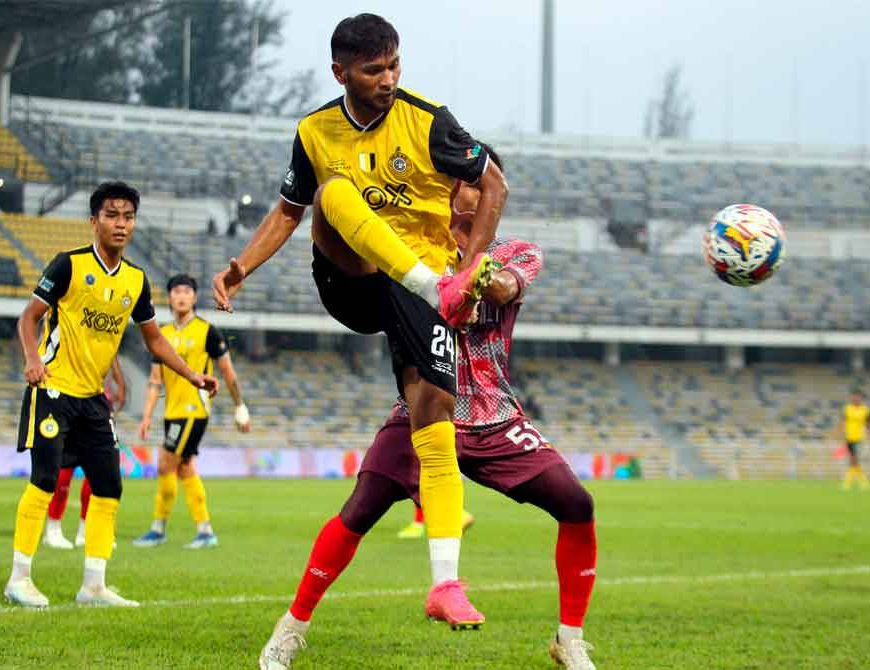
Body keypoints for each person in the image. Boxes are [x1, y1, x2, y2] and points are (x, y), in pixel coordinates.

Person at [212, 13, 508, 623]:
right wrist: (242, 266)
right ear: (340, 72)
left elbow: (495, 186)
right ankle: (430, 284)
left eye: (394, 64)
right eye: (374, 70)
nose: (389, 79)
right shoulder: (314, 131)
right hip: (351, 278)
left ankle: (445, 586)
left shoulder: (429, 120)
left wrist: (469, 264)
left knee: (434, 414)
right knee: (332, 193)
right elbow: (288, 212)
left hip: (421, 290)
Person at [259, 147, 598, 670]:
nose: (468, 193)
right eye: (462, 183)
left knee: (577, 504)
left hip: (494, 414)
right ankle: (290, 628)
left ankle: (569, 641)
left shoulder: (517, 251)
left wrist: (476, 275)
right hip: (421, 411)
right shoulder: (411, 252)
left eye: (479, 185)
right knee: (358, 512)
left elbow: (506, 287)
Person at [4, 181, 218, 609]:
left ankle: (93, 586)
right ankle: (19, 578)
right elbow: (28, 319)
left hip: (93, 399)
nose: (121, 224)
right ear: (94, 221)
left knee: (108, 486)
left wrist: (192, 374)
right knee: (44, 480)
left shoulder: (136, 281)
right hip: (53, 389)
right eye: (112, 215)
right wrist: (32, 359)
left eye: (128, 216)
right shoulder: (68, 265)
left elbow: (155, 340)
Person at [133, 273, 251, 549]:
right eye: (177, 291)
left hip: (194, 410)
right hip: (172, 412)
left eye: (187, 291)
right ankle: (205, 531)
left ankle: (158, 528)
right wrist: (147, 416)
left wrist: (240, 406)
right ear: (170, 297)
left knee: (166, 463)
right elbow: (155, 380)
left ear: (195, 297)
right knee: (185, 468)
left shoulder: (207, 331)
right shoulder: (161, 335)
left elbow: (227, 371)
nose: (182, 296)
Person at [43, 357, 126, 550]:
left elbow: (111, 357)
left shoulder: (104, 342)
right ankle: (52, 529)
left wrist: (120, 385)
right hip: (69, 400)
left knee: (98, 471)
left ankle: (87, 531)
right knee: (63, 471)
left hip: (97, 404)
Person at [839, 389, 870, 490]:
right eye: (854, 396)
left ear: (861, 398)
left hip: (860, 438)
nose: (856, 398)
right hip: (849, 438)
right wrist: (839, 434)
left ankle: (849, 482)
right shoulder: (847, 408)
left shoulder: (865, 410)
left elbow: (869, 424)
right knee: (853, 461)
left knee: (854, 460)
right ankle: (862, 483)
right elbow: (843, 422)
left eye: (858, 396)